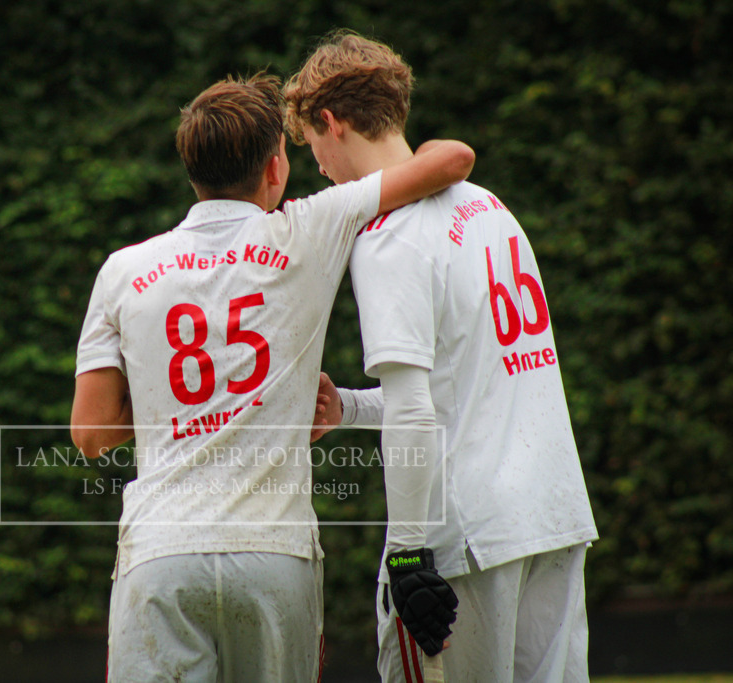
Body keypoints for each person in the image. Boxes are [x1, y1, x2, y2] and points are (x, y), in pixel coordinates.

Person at [70, 72, 473, 682]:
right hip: (275, 556)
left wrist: (181, 408)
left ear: (191, 171)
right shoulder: (310, 226)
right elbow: (452, 159)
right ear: (276, 167)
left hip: (159, 554)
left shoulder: (122, 269)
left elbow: (91, 432)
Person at [286, 32, 599, 682]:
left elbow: (413, 409)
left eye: (311, 144)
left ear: (330, 122)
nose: (315, 163)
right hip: (555, 514)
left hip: (466, 539)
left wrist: (406, 552)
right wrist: (346, 406)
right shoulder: (492, 207)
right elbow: (467, 383)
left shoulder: (388, 238)